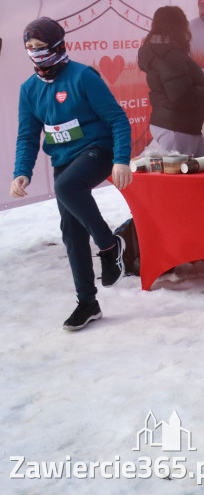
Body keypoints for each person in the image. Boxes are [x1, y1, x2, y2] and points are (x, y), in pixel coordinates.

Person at [11, 17, 133, 330]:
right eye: (30, 47)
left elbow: (117, 120)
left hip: (98, 150)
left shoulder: (82, 76)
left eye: (41, 46)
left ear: (57, 45)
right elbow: (27, 136)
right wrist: (22, 171)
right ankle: (87, 302)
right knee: (71, 229)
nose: (36, 53)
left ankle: (109, 245)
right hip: (64, 160)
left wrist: (121, 159)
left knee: (66, 187)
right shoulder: (29, 89)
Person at [138, 6, 204, 157]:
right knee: (180, 170)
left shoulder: (162, 51)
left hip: (178, 124)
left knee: (199, 168)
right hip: (177, 125)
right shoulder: (169, 55)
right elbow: (181, 95)